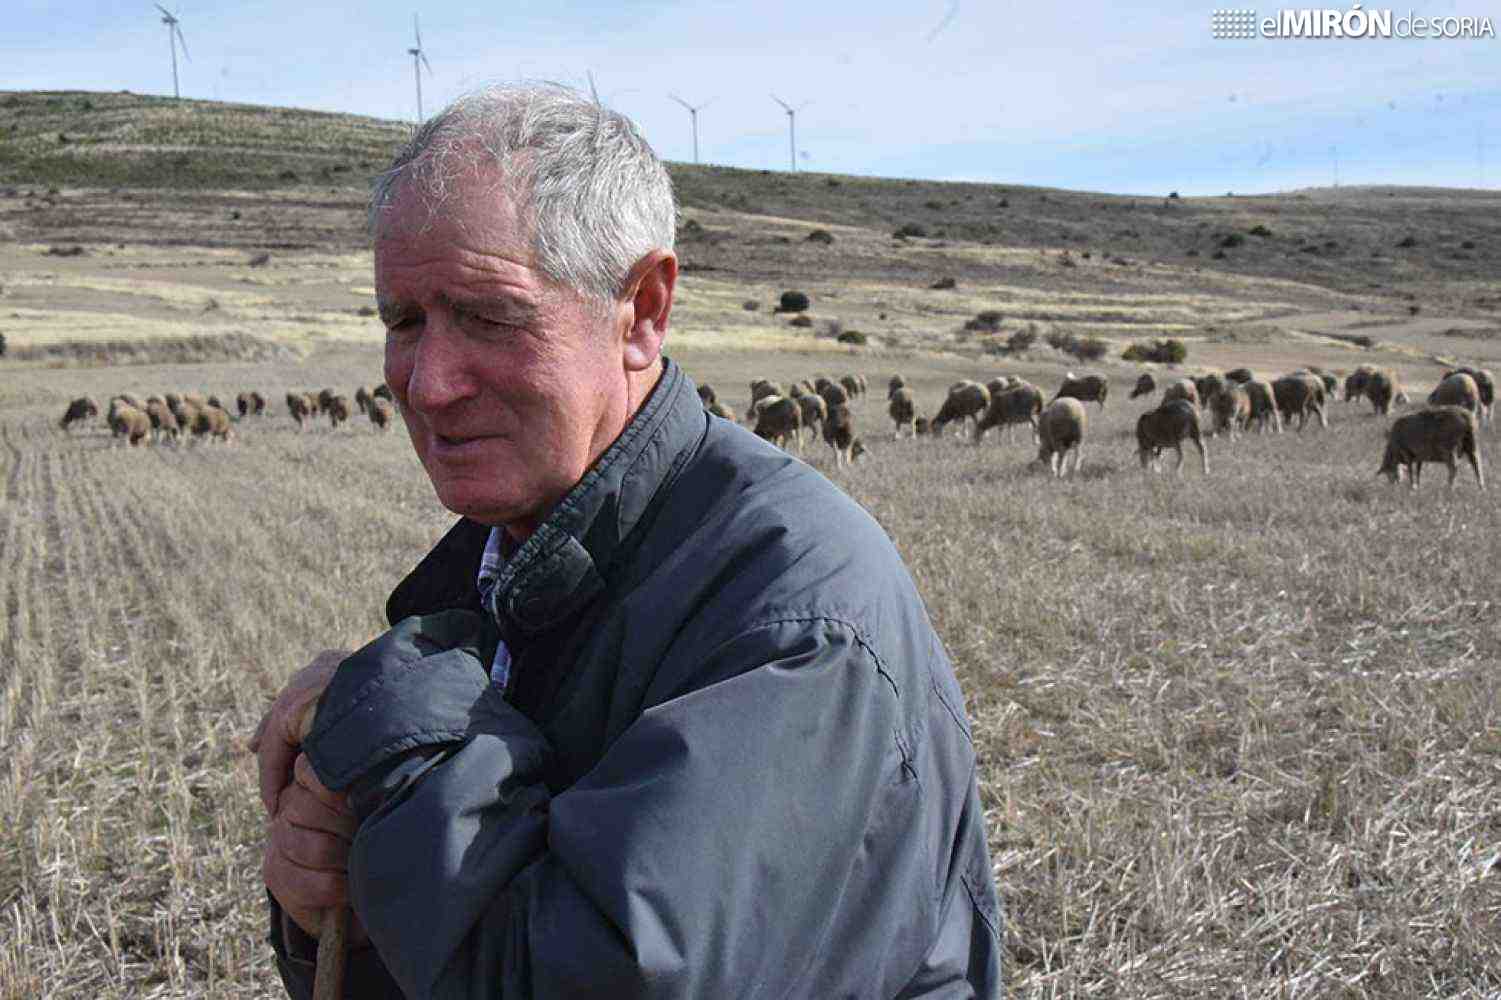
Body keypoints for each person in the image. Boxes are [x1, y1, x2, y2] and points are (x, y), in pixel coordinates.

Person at [251, 82, 1002, 999]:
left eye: (490, 315)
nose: (428, 382)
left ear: (641, 310)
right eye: (403, 322)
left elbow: (613, 978)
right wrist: (343, 912)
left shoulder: (793, 614)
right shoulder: (507, 565)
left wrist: (399, 735)